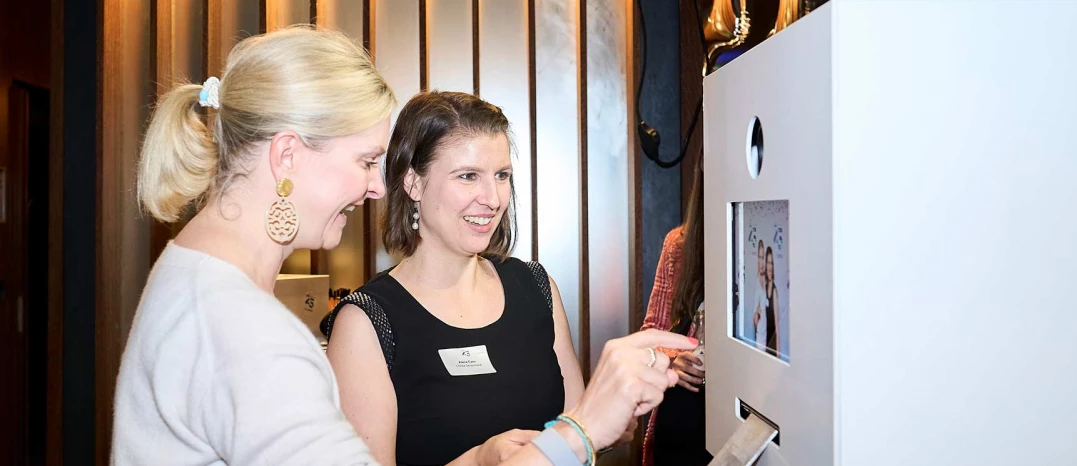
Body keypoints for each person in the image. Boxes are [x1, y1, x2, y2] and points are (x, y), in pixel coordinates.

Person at [112, 26, 693, 466]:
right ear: (287, 155)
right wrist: (581, 431)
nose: (374, 186)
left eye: (501, 176)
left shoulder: (193, 279)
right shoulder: (243, 330)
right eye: (365, 160)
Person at [323, 91, 615, 466]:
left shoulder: (536, 287)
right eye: (468, 176)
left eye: (501, 176)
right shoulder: (366, 321)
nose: (492, 199)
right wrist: (478, 460)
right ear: (413, 182)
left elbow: (577, 444)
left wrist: (611, 413)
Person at [639, 166, 712, 466]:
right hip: (683, 411)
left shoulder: (760, 239)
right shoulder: (679, 244)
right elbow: (649, 335)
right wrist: (673, 361)